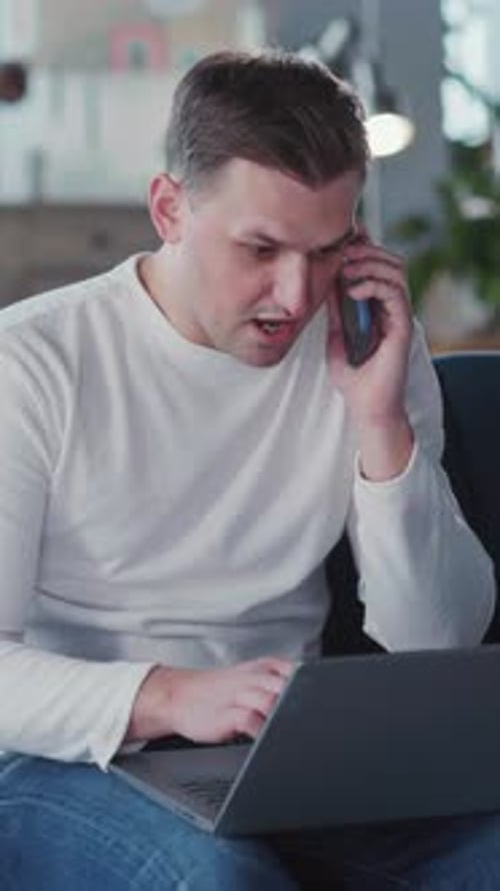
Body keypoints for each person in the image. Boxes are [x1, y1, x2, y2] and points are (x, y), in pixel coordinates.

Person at [0, 48, 497, 890]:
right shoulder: (31, 364)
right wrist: (166, 696)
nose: (295, 297)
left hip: (290, 761)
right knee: (222, 880)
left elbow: (434, 639)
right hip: (71, 759)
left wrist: (378, 419)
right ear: (169, 209)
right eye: (261, 248)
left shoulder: (366, 346)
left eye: (327, 250)